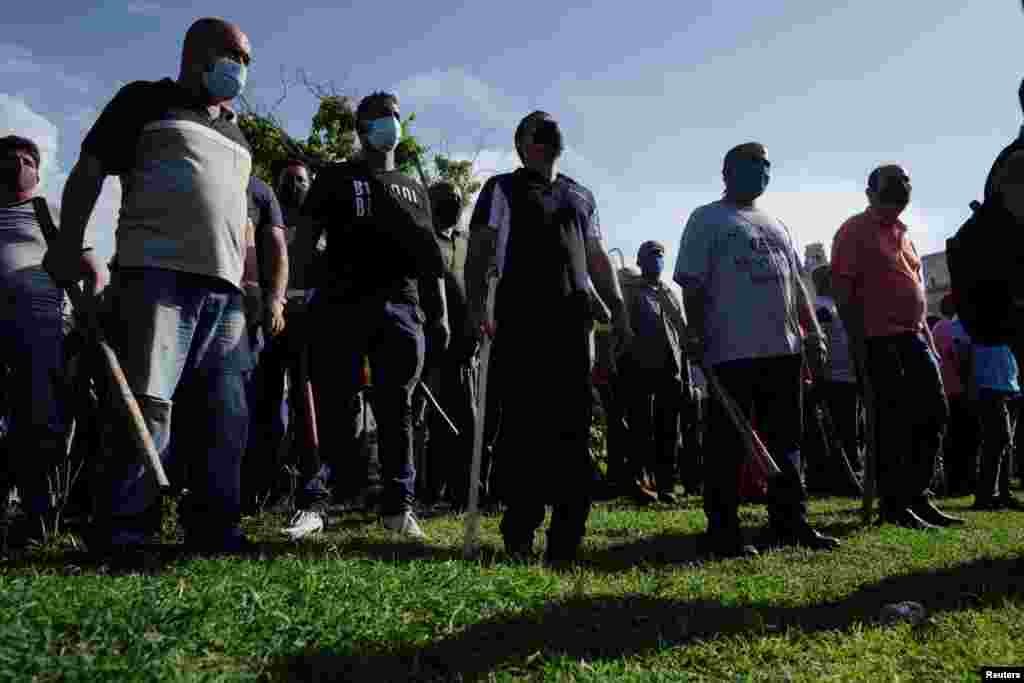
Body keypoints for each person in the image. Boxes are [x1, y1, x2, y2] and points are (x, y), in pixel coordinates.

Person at [44, 17, 257, 553]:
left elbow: (240, 218)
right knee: (147, 404)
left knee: (224, 415)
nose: (242, 68)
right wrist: (69, 244)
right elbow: (89, 171)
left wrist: (251, 281)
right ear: (197, 54)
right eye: (235, 54)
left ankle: (214, 530)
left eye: (247, 59)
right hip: (155, 277)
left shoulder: (236, 130)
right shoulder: (144, 101)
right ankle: (124, 530)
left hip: (225, 292)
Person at [466, 110, 632, 565]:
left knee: (573, 429)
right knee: (522, 428)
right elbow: (481, 247)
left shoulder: (580, 194)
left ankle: (567, 535)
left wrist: (615, 305)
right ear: (522, 143)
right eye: (539, 127)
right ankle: (519, 531)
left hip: (572, 326)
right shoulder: (503, 188)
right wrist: (477, 305)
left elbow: (596, 255)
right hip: (520, 321)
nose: (550, 129)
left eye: (554, 125)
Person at [295, 91, 449, 540]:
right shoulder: (335, 177)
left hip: (401, 308)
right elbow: (305, 237)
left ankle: (398, 507)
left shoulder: (414, 187)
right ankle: (316, 503)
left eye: (395, 116)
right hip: (341, 302)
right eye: (380, 117)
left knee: (396, 407)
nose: (389, 123)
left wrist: (438, 317)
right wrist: (300, 290)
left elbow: (430, 261)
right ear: (362, 128)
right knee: (335, 404)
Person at [674, 141, 839, 558]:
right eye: (754, 165)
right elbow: (691, 282)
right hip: (730, 350)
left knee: (788, 440)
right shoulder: (707, 219)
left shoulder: (777, 224)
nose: (763, 173)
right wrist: (695, 333)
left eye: (767, 167)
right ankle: (723, 531)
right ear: (728, 172)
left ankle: (790, 522)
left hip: (783, 349)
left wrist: (813, 333)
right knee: (726, 444)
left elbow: (798, 282)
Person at [831, 164, 960, 530]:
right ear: (871, 190)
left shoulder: (904, 233)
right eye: (893, 181)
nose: (902, 187)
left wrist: (929, 341)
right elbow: (843, 290)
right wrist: (859, 342)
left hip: (916, 338)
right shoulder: (855, 230)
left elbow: (914, 292)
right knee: (893, 422)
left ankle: (917, 495)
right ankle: (894, 503)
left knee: (934, 412)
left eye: (906, 181)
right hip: (878, 339)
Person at [0, 135, 107, 546]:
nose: (19, 163)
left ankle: (37, 517)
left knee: (39, 424)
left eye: (28, 158)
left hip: (42, 334)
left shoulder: (50, 214)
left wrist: (91, 310)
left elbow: (93, 269)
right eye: (11, 157)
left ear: (38, 172)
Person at [619, 240, 691, 504]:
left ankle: (666, 485)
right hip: (639, 368)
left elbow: (681, 331)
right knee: (640, 427)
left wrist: (686, 372)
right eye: (651, 255)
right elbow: (622, 326)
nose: (656, 259)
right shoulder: (630, 290)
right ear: (640, 261)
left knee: (669, 430)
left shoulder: (669, 293)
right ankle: (640, 482)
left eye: (660, 254)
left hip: (669, 370)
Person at [420, 181, 477, 509]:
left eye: (457, 199)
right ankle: (430, 489)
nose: (453, 203)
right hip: (431, 342)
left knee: (466, 418)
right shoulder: (423, 237)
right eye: (445, 198)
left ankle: (462, 489)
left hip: (466, 344)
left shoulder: (467, 242)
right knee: (432, 419)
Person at [239, 174, 288, 512]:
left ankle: (256, 489)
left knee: (257, 401)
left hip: (249, 311)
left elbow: (276, 252)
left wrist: (274, 299)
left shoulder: (259, 191)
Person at [808, 264, 862, 492]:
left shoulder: (837, 306)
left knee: (851, 429)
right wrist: (819, 376)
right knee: (842, 431)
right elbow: (817, 344)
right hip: (833, 379)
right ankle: (842, 478)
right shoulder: (821, 308)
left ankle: (850, 474)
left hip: (848, 377)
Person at [931, 294, 979, 497]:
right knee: (967, 437)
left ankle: (953, 482)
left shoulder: (937, 328)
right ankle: (966, 481)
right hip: (961, 389)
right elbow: (960, 357)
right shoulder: (957, 327)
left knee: (952, 439)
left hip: (945, 387)